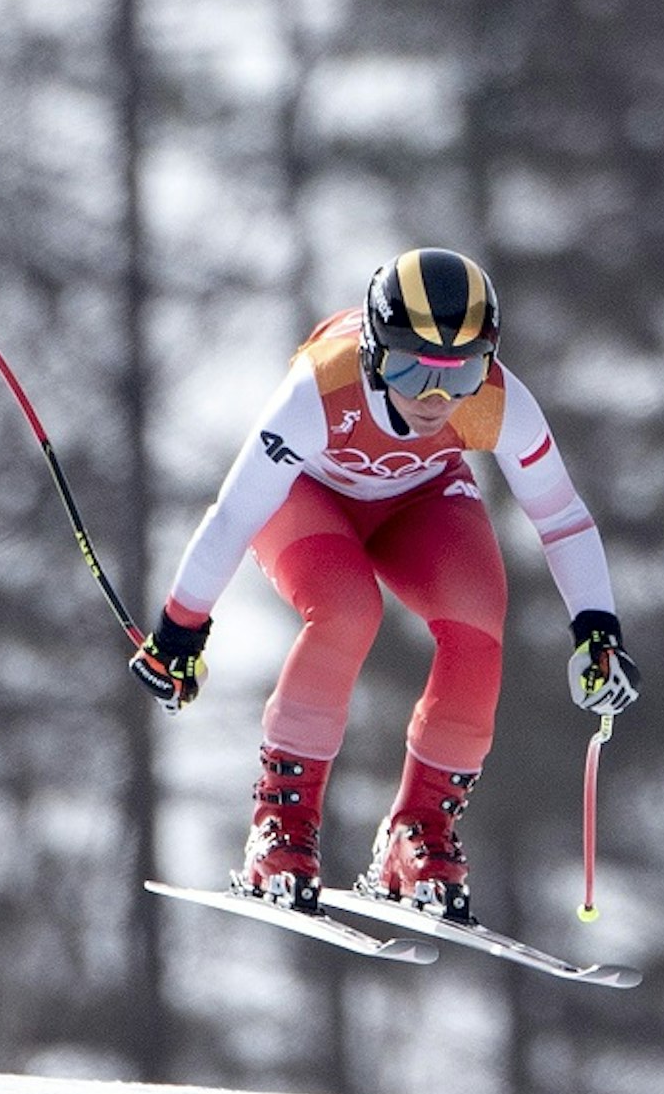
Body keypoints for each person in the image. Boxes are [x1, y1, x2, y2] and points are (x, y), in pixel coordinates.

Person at [128, 249, 637, 923]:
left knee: (478, 622)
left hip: (419, 499)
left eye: (460, 374)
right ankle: (280, 827)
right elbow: (235, 513)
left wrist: (598, 631)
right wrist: (179, 628)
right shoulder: (320, 389)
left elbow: (563, 517)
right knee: (346, 609)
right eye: (409, 368)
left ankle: (417, 833)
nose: (435, 398)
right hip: (308, 499)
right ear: (372, 354)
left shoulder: (498, 404)